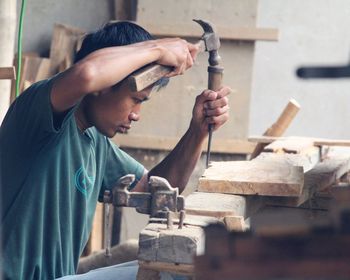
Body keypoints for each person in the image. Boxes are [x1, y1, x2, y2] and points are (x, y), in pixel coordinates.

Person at [0, 21, 230, 279]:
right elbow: (87, 74)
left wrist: (196, 131)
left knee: (177, 271)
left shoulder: (95, 142)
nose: (136, 115)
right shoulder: (37, 112)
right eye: (136, 100)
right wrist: (156, 48)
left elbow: (159, 189)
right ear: (104, 85)